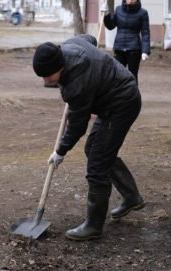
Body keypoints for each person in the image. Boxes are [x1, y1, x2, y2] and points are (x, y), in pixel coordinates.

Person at [32, 35, 145, 241]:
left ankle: (93, 225)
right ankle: (131, 196)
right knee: (92, 149)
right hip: (111, 97)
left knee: (97, 164)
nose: (45, 81)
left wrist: (60, 151)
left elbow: (77, 125)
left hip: (122, 103)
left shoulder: (76, 84)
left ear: (60, 66)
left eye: (48, 76)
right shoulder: (69, 45)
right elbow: (90, 39)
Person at [101, 0, 151, 82]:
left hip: (134, 50)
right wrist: (106, 15)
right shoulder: (118, 9)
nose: (130, 0)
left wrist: (145, 50)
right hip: (119, 48)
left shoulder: (143, 13)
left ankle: (133, 96)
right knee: (118, 76)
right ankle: (119, 96)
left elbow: (145, 33)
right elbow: (111, 26)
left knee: (132, 76)